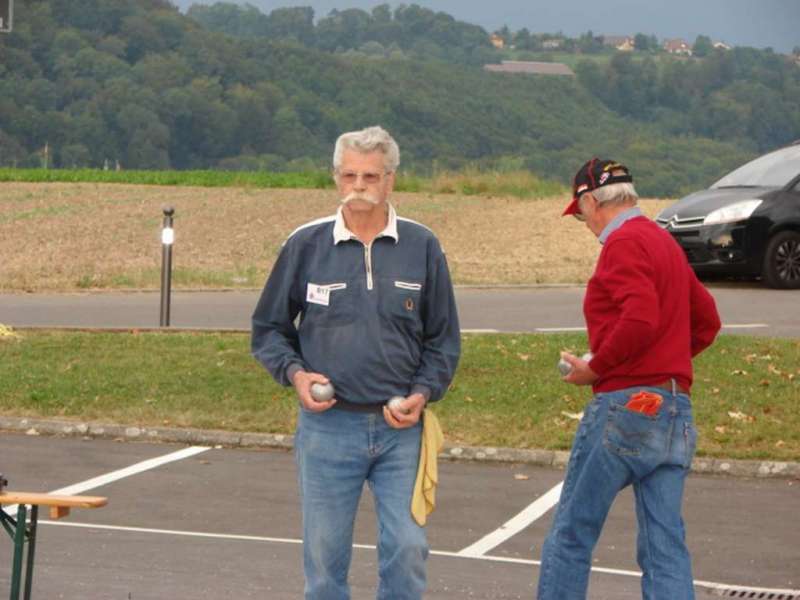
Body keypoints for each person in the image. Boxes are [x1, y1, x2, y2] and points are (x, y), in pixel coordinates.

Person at [251, 126, 460, 600]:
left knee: (406, 549)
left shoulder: (422, 245)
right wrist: (297, 374)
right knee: (325, 562)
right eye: (349, 175)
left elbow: (443, 341)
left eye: (370, 175)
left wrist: (423, 393)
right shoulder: (306, 244)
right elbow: (269, 329)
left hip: (400, 429)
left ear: (390, 180)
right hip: (328, 430)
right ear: (335, 178)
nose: (359, 186)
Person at [537, 158, 721, 600]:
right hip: (676, 409)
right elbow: (707, 322)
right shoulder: (664, 242)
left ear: (590, 201)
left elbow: (639, 318)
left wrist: (596, 368)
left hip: (627, 406)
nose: (583, 222)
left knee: (572, 533)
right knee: (664, 546)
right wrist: (665, 360)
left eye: (580, 212)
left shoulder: (621, 245)